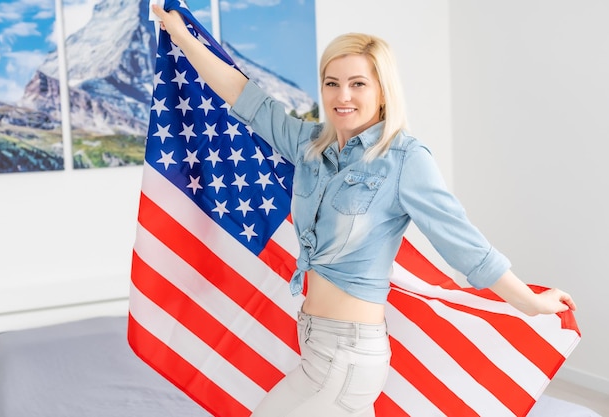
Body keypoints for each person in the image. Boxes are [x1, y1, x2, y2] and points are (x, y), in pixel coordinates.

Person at [152, 5, 577, 417]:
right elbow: (244, 95)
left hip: (350, 357)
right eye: (331, 83)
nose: (342, 96)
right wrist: (179, 34)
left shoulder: (405, 159)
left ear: (382, 90)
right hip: (315, 346)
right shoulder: (310, 145)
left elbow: (465, 245)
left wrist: (530, 303)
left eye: (358, 84)